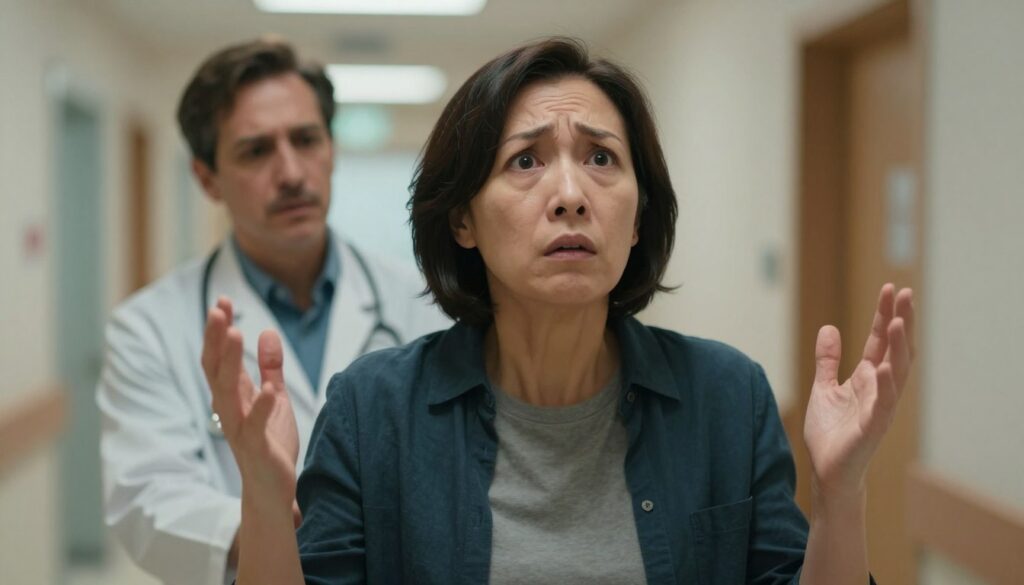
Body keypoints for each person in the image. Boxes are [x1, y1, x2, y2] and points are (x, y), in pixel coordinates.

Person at [203, 37, 915, 584]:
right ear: (462, 221)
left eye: (602, 158)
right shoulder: (373, 410)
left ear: (637, 220)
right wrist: (266, 505)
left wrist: (841, 492)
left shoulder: (728, 397)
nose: (571, 193)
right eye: (525, 161)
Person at [96, 37, 450, 585]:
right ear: (207, 177)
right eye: (256, 150)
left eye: (306, 139)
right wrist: (268, 517)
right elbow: (145, 499)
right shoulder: (149, 328)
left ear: (331, 149)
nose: (290, 172)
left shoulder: (424, 304)